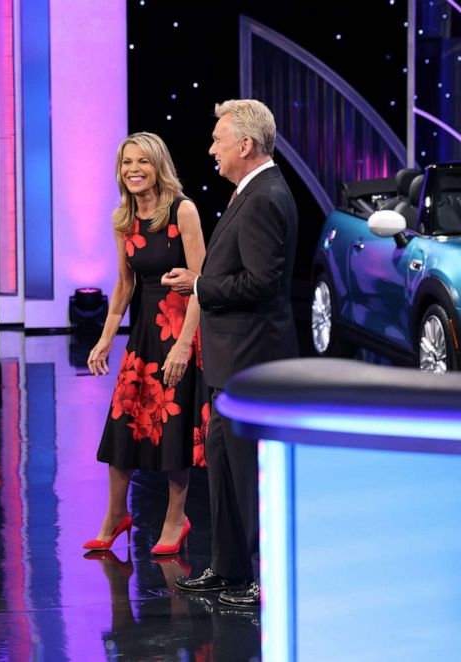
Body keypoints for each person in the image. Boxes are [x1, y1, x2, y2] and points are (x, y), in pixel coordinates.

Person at [162, 99, 299, 608]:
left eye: (219, 139)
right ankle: (228, 569)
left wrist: (200, 284)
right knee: (221, 469)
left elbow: (262, 282)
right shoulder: (251, 190)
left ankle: (267, 577)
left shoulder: (264, 196)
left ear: (245, 144)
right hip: (229, 360)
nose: (212, 149)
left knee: (249, 475)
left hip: (252, 361)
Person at [84, 132, 208, 556]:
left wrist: (184, 345)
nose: (133, 169)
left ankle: (176, 519)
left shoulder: (183, 210)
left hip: (180, 328)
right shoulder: (124, 218)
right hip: (143, 335)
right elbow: (124, 285)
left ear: (159, 166)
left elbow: (201, 284)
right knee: (125, 423)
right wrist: (104, 340)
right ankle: (115, 516)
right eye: (126, 163)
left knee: (172, 429)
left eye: (143, 162)